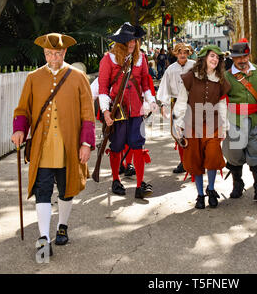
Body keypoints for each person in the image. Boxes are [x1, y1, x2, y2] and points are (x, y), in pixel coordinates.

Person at [11, 33, 96, 258]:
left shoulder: (78, 77)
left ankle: (63, 226)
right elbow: (22, 110)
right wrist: (19, 129)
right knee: (43, 190)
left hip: (69, 146)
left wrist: (86, 143)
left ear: (65, 52)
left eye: (57, 53)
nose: (53, 58)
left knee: (66, 189)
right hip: (43, 147)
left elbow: (88, 114)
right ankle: (43, 238)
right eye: (49, 54)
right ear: (44, 53)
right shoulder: (33, 77)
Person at [98, 22, 158, 199]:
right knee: (116, 146)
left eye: (134, 40)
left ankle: (140, 185)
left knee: (137, 144)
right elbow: (103, 87)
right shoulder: (108, 59)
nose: (132, 44)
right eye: (128, 41)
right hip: (117, 111)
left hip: (136, 110)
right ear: (120, 43)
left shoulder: (141, 58)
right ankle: (116, 179)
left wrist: (151, 102)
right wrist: (105, 111)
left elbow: (146, 83)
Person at [172, 45, 230, 209]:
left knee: (212, 157)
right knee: (195, 160)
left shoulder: (220, 80)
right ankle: (200, 194)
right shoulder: (190, 77)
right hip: (192, 125)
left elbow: (223, 104)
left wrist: (224, 127)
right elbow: (182, 102)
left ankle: (211, 189)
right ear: (204, 58)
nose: (215, 60)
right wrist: (177, 123)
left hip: (213, 125)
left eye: (217, 58)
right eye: (212, 56)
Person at [222, 40, 257, 201]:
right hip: (235, 118)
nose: (242, 60)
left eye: (245, 56)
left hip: (254, 118)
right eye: (238, 58)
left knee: (256, 150)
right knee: (235, 153)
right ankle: (238, 183)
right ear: (233, 58)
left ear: (249, 55)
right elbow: (222, 100)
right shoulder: (227, 76)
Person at [156, 42, 196, 174]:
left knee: (193, 134)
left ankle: (194, 161)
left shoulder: (194, 66)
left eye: (185, 52)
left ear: (189, 53)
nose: (183, 55)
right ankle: (183, 162)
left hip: (192, 103)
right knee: (178, 134)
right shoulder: (171, 69)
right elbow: (164, 88)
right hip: (176, 104)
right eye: (180, 53)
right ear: (176, 54)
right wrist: (163, 105)